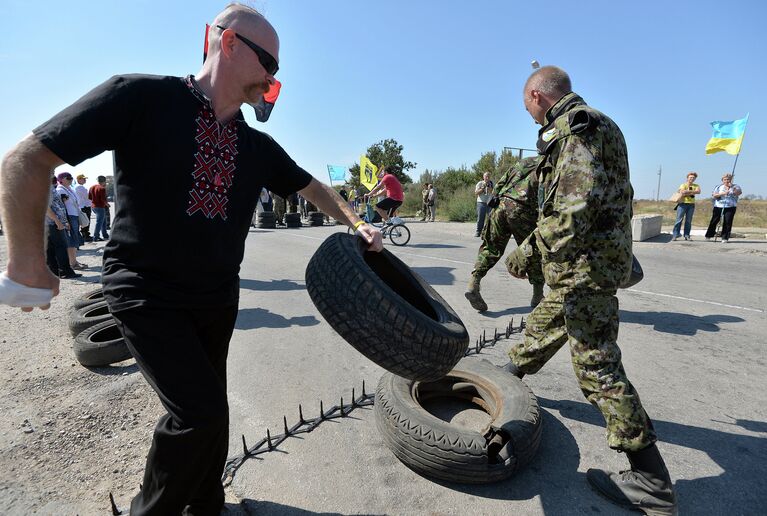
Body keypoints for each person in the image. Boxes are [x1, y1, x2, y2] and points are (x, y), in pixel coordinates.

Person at [0, 5, 382, 515]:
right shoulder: (139, 97)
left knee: (213, 413)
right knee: (196, 416)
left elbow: (313, 187)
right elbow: (27, 157)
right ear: (227, 44)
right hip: (145, 292)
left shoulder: (256, 146)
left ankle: (206, 504)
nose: (272, 79)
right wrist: (25, 257)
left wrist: (358, 223)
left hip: (216, 298)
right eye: (268, 63)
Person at [504, 66, 676, 515]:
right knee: (545, 320)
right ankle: (504, 378)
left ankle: (651, 479)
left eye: (527, 106)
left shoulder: (577, 130)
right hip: (585, 267)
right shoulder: (604, 124)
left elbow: (574, 209)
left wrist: (528, 251)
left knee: (597, 367)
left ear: (539, 96)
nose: (529, 115)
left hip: (585, 266)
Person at [466, 157, 544, 311]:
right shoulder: (549, 166)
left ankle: (473, 283)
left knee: (491, 248)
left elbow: (501, 182)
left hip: (500, 206)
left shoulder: (524, 162)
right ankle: (537, 296)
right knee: (534, 251)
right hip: (523, 210)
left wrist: (495, 200)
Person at [46, 176, 80, 279]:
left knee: (51, 249)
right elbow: (45, 207)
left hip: (52, 223)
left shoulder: (48, 187)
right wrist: (57, 221)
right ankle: (65, 271)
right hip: (53, 223)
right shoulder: (44, 188)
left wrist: (64, 221)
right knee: (60, 247)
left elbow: (57, 206)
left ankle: (54, 272)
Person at [55, 172, 86, 270]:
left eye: (71, 177)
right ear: (62, 179)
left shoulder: (69, 189)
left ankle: (74, 261)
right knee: (71, 240)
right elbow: (60, 206)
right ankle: (73, 263)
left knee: (74, 239)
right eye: (68, 178)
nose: (71, 179)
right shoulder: (60, 190)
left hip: (74, 215)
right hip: (69, 217)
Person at [705, 173, 742, 243]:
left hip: (730, 207)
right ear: (722, 180)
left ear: (731, 180)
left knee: (727, 222)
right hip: (718, 206)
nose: (726, 181)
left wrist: (732, 188)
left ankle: (725, 237)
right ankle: (709, 235)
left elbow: (739, 193)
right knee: (714, 221)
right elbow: (714, 195)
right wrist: (723, 194)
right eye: (725, 179)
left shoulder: (736, 186)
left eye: (728, 179)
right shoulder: (718, 187)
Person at [671, 172, 700, 241]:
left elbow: (698, 191)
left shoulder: (696, 185)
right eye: (690, 177)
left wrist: (687, 191)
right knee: (679, 220)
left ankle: (687, 235)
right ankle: (675, 235)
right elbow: (682, 192)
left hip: (691, 204)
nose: (692, 179)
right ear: (687, 178)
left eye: (693, 178)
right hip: (682, 204)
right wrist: (692, 191)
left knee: (688, 221)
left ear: (695, 178)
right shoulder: (683, 185)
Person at [88, 175, 110, 241]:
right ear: (104, 181)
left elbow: (89, 197)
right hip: (100, 207)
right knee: (99, 222)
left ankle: (105, 234)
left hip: (93, 206)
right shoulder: (102, 188)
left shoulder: (91, 187)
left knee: (103, 221)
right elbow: (103, 199)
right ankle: (96, 236)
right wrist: (107, 204)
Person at [474, 172, 494, 237]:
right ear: (483, 177)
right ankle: (478, 231)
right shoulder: (480, 183)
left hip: (489, 203)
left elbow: (494, 192)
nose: (487, 178)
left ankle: (490, 232)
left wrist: (489, 188)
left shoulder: (491, 183)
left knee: (491, 218)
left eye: (488, 176)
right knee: (480, 218)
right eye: (486, 176)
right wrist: (482, 188)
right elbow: (476, 193)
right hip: (481, 202)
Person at [74, 173, 92, 242]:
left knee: (84, 221)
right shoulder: (80, 187)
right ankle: (85, 235)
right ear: (79, 179)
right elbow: (87, 196)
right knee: (86, 221)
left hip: (82, 206)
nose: (85, 180)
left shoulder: (77, 186)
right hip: (84, 206)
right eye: (83, 179)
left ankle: (85, 234)